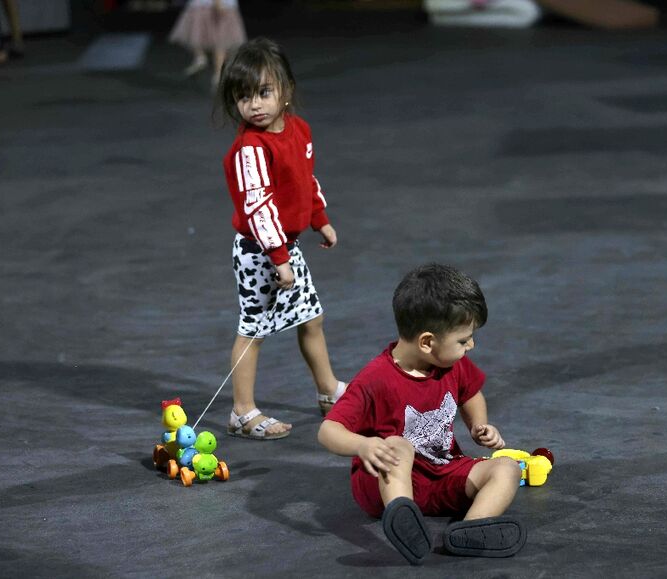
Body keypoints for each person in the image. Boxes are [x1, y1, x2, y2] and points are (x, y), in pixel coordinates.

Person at [318, 264, 526, 565]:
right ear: (427, 342)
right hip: (384, 481)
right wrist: (363, 445)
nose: (471, 345)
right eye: (463, 339)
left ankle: (468, 531)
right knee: (398, 445)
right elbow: (328, 430)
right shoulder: (374, 379)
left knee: (506, 468)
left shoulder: (452, 364)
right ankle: (402, 516)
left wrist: (478, 424)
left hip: (442, 472)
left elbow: (472, 394)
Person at [216, 37, 345, 440]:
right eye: (243, 97)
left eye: (263, 93)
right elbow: (258, 206)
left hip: (285, 248)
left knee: (312, 317)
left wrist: (318, 217)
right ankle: (241, 411)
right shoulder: (249, 149)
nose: (254, 104)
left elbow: (304, 182)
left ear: (286, 90)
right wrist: (277, 256)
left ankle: (328, 391)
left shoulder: (299, 130)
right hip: (260, 252)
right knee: (253, 330)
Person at [170, 0, 246, 87]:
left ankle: (200, 57)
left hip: (203, 5)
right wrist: (218, 3)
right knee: (220, 41)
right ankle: (218, 75)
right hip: (220, 6)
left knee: (203, 35)